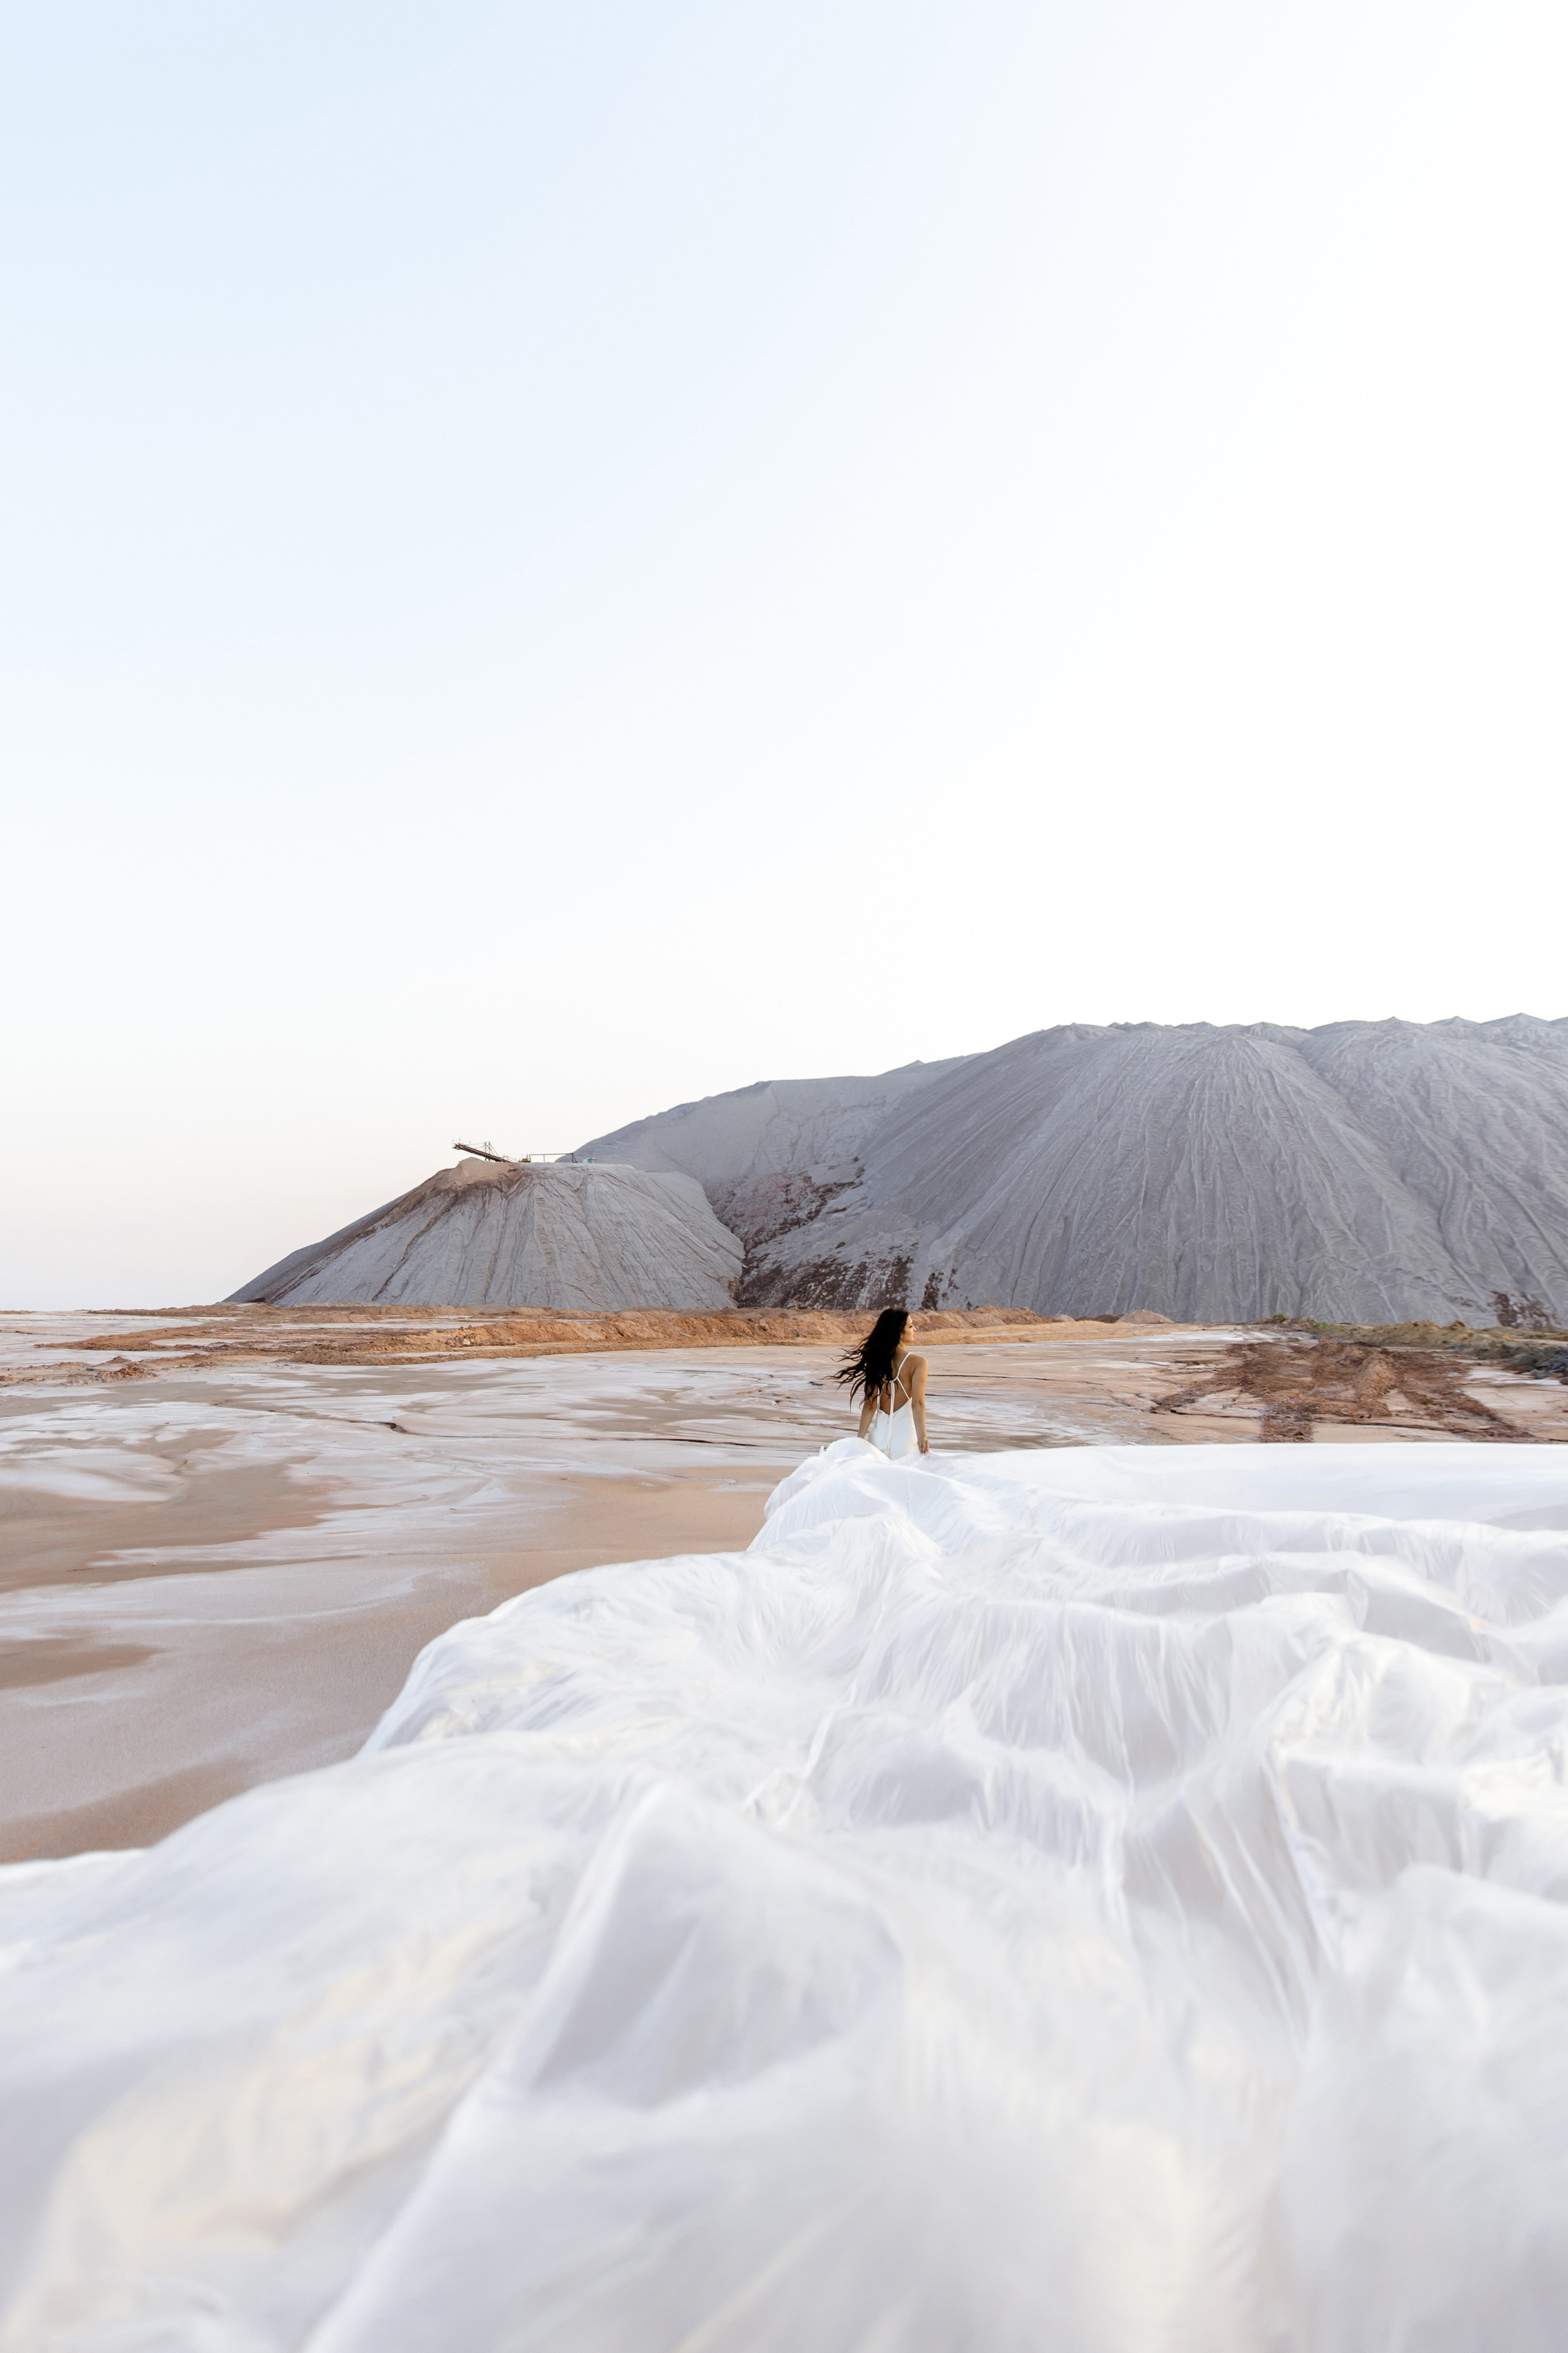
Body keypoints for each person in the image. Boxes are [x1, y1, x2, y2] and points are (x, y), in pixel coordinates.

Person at [835, 1307, 930, 1459]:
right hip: (905, 1440)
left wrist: (859, 1440)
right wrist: (922, 1437)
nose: (915, 1329)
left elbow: (869, 1405)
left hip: (876, 1440)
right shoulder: (918, 1363)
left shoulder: (877, 1361)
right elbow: (917, 1403)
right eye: (911, 1326)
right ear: (900, 1332)